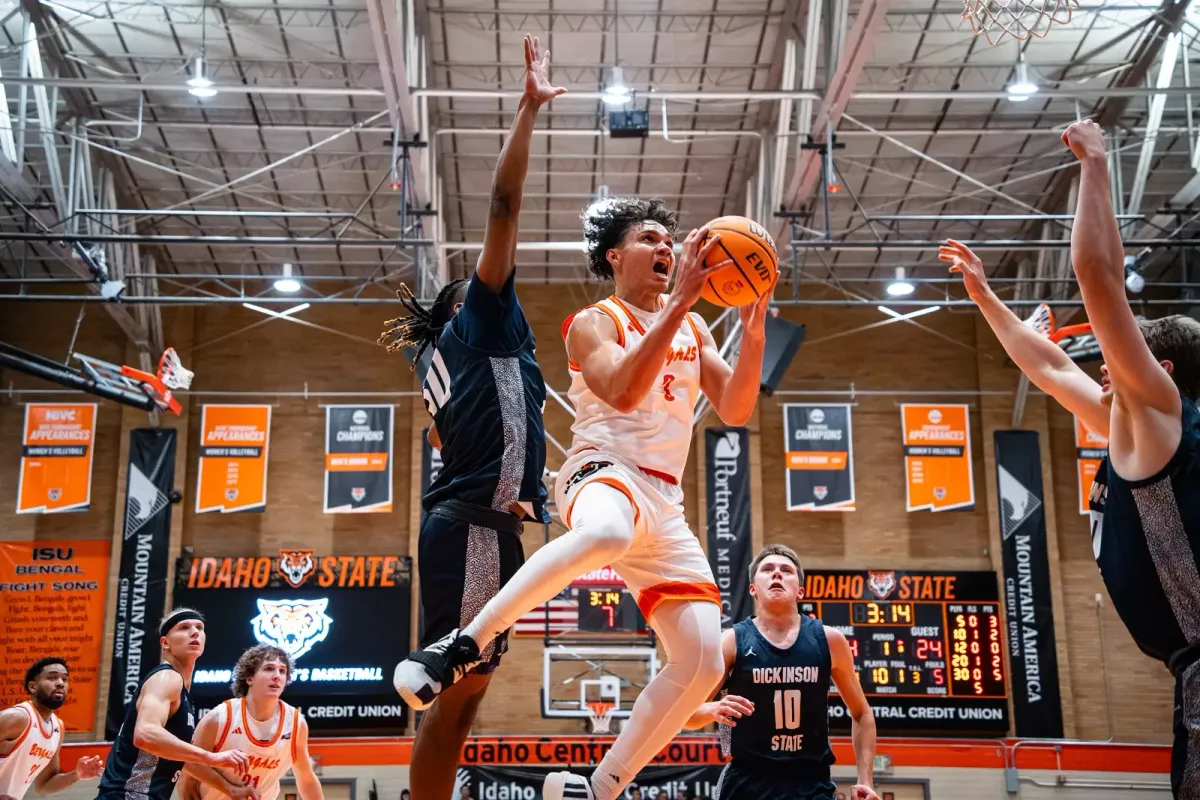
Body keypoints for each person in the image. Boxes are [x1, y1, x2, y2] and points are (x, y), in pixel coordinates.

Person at [395, 192, 775, 800]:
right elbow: (623, 394)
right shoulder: (594, 322)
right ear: (614, 256)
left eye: (668, 241)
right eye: (649, 238)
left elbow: (735, 407)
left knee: (703, 661)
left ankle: (600, 786)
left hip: (666, 503)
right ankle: (463, 644)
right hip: (600, 472)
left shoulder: (697, 325)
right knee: (605, 534)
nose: (665, 248)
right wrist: (679, 305)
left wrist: (753, 331)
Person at [943, 117, 1200, 799]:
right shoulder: (1134, 426)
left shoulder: (1158, 411)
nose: (1106, 366)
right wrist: (985, 297)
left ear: (1161, 367)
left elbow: (1096, 275)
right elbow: (1051, 367)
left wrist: (1095, 163)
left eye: (1125, 355)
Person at [383, 33, 565, 799]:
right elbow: (502, 207)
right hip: (474, 528)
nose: (503, 282)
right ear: (467, 306)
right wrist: (526, 111)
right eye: (488, 282)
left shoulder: (470, 359)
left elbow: (443, 433)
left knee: (464, 695)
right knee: (451, 695)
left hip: (482, 527)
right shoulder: (478, 325)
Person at [684, 545, 878, 800]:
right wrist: (709, 709)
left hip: (810, 782)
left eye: (786, 570)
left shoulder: (830, 640)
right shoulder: (731, 642)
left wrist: (866, 780)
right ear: (753, 588)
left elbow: (862, 713)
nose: (777, 574)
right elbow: (687, 716)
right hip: (748, 782)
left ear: (801, 591)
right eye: (767, 569)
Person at [95, 609, 252, 800]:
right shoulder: (167, 678)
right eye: (184, 627)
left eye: (199, 628)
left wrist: (230, 789)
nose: (194, 632)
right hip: (129, 795)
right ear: (165, 642)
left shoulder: (182, 691)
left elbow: (182, 758)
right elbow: (145, 734)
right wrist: (210, 757)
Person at [180, 646, 321, 800]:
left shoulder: (295, 723)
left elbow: (306, 778)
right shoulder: (219, 718)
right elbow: (190, 767)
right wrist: (230, 789)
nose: (277, 676)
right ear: (249, 678)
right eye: (268, 669)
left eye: (282, 671)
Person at [0, 658, 103, 799]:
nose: (60, 683)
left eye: (64, 679)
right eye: (52, 677)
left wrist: (76, 774)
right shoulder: (18, 717)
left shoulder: (57, 727)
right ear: (33, 687)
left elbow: (44, 786)